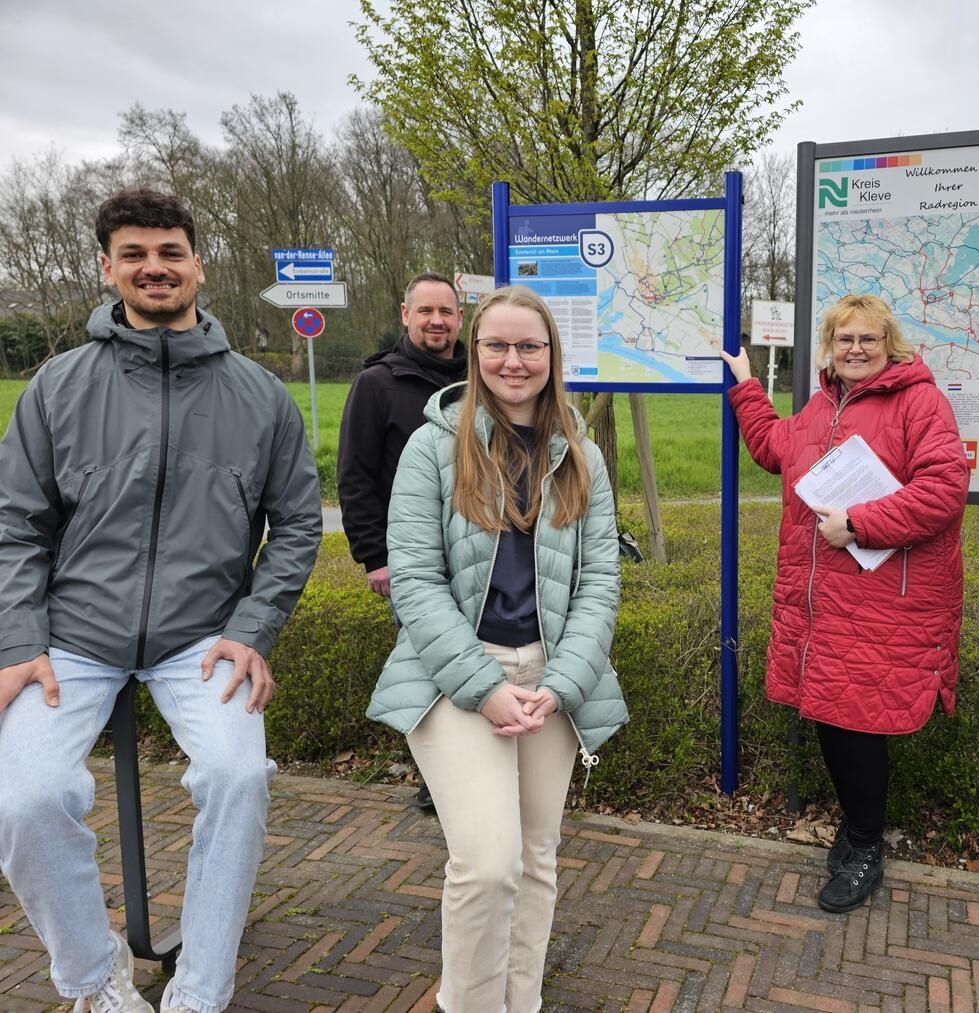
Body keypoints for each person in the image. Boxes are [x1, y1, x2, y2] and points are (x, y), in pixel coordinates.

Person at [0, 189, 322, 1013]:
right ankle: (94, 977)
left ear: (198, 264)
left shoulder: (260, 396)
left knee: (237, 776)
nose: (155, 267)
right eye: (135, 253)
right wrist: (16, 639)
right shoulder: (57, 387)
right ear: (107, 268)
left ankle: (198, 993)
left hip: (203, 637)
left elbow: (294, 527)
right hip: (72, 634)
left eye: (170, 251)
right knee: (25, 797)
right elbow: (14, 523)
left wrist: (254, 629)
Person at [366, 284, 627, 1011]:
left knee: (537, 859)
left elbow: (600, 580)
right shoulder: (430, 448)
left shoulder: (582, 454)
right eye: (498, 345)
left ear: (552, 354)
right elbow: (415, 580)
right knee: (487, 862)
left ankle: (523, 1001)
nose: (514, 360)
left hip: (552, 679)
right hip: (455, 678)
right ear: (473, 353)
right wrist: (483, 685)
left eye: (530, 346)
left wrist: (566, 680)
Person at [721, 293, 968, 913]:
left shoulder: (920, 402)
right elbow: (775, 448)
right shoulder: (821, 406)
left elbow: (944, 490)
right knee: (835, 716)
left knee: (857, 724)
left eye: (868, 339)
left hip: (884, 600)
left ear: (891, 345)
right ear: (829, 347)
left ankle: (865, 846)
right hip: (824, 601)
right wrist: (748, 387)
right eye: (844, 339)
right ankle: (858, 831)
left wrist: (859, 523)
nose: (856, 349)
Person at [338, 271, 468, 814]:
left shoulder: (479, 375)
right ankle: (439, 779)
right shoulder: (377, 384)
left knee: (482, 658)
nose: (436, 321)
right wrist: (375, 556)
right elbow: (355, 476)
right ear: (405, 313)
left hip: (478, 552)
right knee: (430, 665)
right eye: (426, 311)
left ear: (460, 317)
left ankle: (474, 772)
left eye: (446, 311)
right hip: (412, 560)